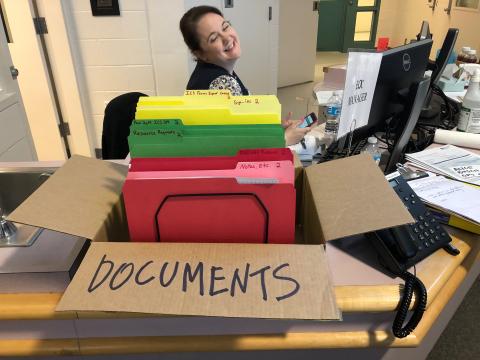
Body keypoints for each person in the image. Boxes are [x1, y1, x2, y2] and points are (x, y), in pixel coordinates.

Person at [179, 5, 311, 146]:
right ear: (200, 54)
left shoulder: (207, 72)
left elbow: (239, 127)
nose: (226, 37)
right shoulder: (222, 83)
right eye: (214, 38)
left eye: (225, 27)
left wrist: (275, 129)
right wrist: (284, 139)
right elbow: (240, 145)